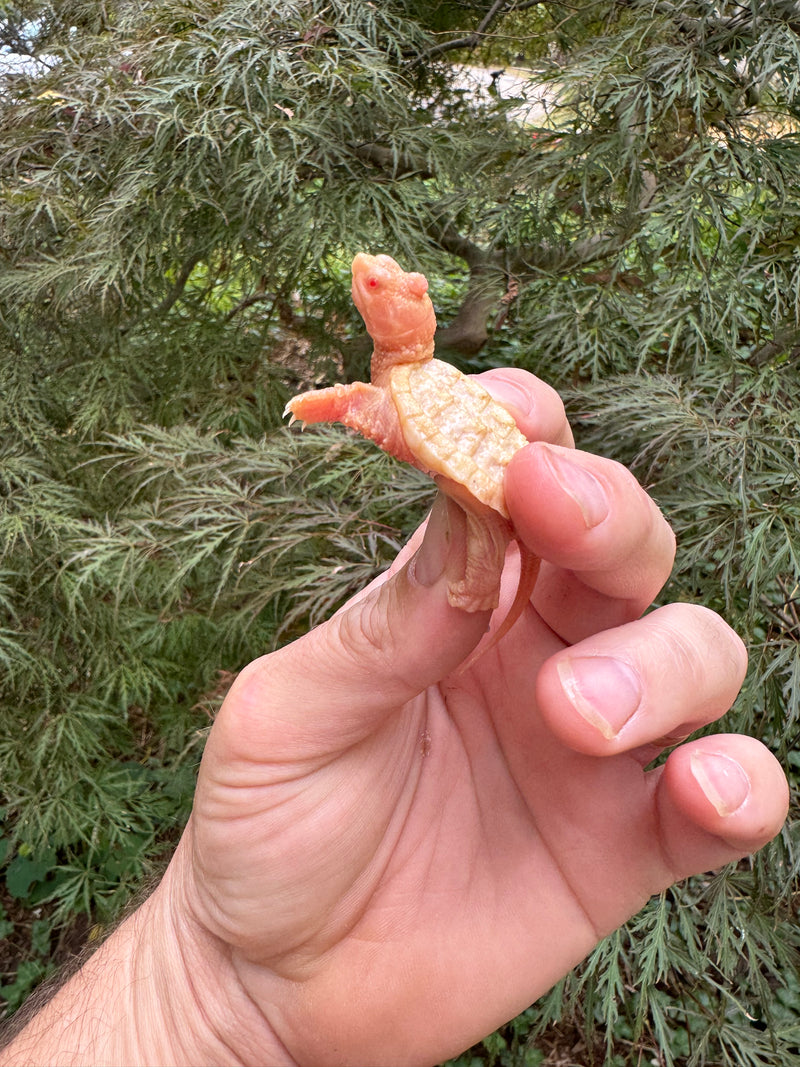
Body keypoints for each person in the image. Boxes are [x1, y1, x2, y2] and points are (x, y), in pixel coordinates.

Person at [0, 369, 788, 1067]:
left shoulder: (414, 384)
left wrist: (223, 999)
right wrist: (218, 990)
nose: (374, 286)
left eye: (392, 289)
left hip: (500, 513)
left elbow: (378, 414)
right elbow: (378, 413)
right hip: (474, 558)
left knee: (535, 505)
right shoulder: (406, 386)